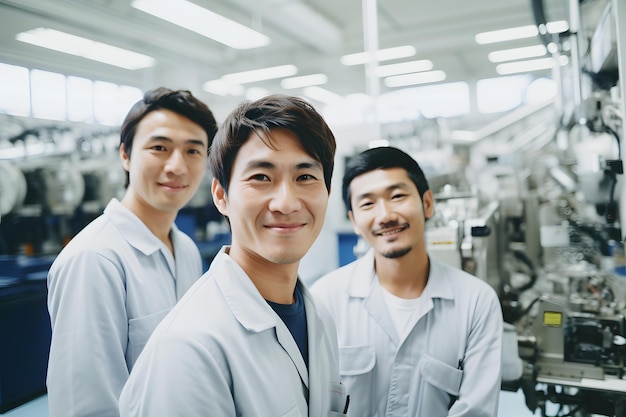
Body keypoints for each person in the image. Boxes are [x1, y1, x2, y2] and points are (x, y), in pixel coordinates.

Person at [119, 94, 348, 416]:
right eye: (261, 178)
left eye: (305, 177)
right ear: (221, 196)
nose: (286, 203)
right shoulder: (188, 349)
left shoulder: (319, 317)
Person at [46, 87, 218, 417]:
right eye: (159, 148)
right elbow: (85, 406)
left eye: (193, 151)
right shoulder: (94, 260)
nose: (177, 166)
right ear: (125, 155)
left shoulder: (185, 250)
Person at [311, 146, 503, 416]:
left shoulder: (476, 303)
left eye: (397, 196)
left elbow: (476, 410)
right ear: (354, 221)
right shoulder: (325, 299)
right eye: (367, 203)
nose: (385, 215)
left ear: (427, 203)